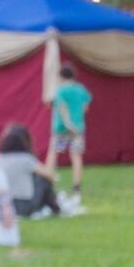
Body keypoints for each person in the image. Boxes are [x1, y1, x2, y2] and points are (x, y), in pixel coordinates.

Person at [46, 64, 92, 208]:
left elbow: (62, 107)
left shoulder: (61, 91)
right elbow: (85, 107)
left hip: (61, 129)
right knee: (76, 157)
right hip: (78, 129)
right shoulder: (81, 90)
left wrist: (67, 124)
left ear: (61, 76)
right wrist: (75, 121)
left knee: (53, 155)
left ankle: (48, 185)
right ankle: (77, 189)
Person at [0, 123, 62, 218]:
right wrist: (53, 150)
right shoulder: (25, 159)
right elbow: (50, 175)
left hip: (4, 205)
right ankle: (56, 208)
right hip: (24, 207)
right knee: (43, 180)